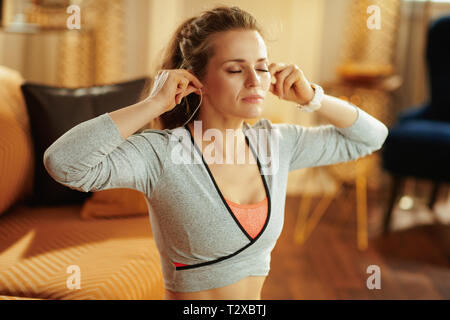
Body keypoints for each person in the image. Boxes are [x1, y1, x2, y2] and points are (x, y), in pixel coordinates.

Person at [43, 6, 389, 300]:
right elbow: (63, 164)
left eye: (263, 67)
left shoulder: (277, 144)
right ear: (196, 80)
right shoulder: (162, 155)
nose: (256, 80)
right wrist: (154, 104)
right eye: (236, 69)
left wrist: (312, 97)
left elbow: (370, 137)